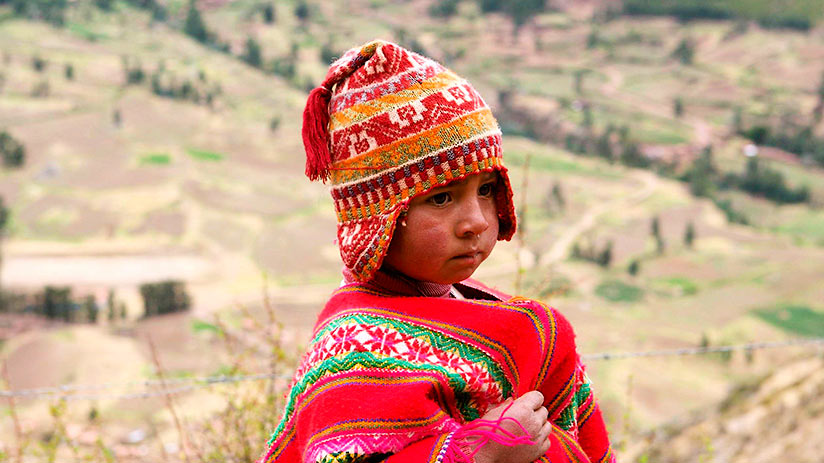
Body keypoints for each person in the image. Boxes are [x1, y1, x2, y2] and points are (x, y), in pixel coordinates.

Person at [260, 39, 615, 463]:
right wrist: (477, 455)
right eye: (442, 198)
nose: (478, 221)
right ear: (379, 218)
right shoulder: (351, 354)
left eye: (486, 190)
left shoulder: (508, 321)